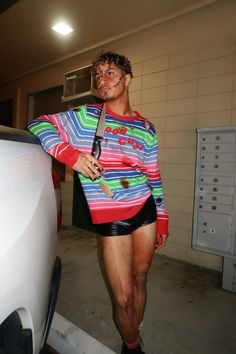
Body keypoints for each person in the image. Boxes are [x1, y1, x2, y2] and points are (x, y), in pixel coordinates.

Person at [28, 51, 168, 354]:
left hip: (146, 208)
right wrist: (71, 155)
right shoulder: (86, 117)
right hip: (112, 218)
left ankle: (137, 329)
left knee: (140, 278)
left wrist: (163, 217)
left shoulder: (146, 127)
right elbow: (38, 125)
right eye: (98, 75)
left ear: (127, 78)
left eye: (110, 73)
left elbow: (154, 174)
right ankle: (132, 347)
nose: (101, 81)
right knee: (122, 298)